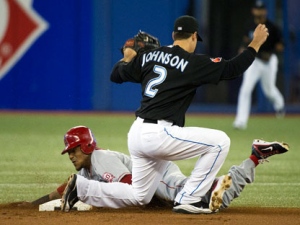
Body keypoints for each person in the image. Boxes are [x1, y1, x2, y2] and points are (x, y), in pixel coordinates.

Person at [62, 15, 270, 214]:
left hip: (137, 134)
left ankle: (81, 188)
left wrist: (126, 59)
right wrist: (256, 44)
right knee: (220, 142)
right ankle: (189, 199)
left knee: (140, 195)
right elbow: (233, 68)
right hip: (159, 134)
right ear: (194, 36)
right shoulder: (193, 63)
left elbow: (116, 75)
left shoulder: (148, 57)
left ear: (172, 36)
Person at [28, 125, 289, 213]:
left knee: (211, 201)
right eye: (69, 151)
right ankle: (255, 157)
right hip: (159, 175)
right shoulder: (88, 169)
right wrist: (39, 202)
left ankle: (254, 157)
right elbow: (69, 183)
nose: (70, 155)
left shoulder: (100, 160)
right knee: (211, 199)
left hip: (160, 178)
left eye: (73, 150)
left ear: (86, 147)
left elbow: (134, 187)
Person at [233, 1, 285, 130]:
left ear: (265, 11)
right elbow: (244, 42)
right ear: (253, 11)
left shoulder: (272, 27)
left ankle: (280, 105)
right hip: (254, 61)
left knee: (269, 90)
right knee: (246, 89)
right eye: (257, 9)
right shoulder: (250, 26)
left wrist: (271, 50)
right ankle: (240, 121)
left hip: (269, 61)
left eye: (261, 9)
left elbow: (280, 46)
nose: (259, 11)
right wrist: (242, 49)